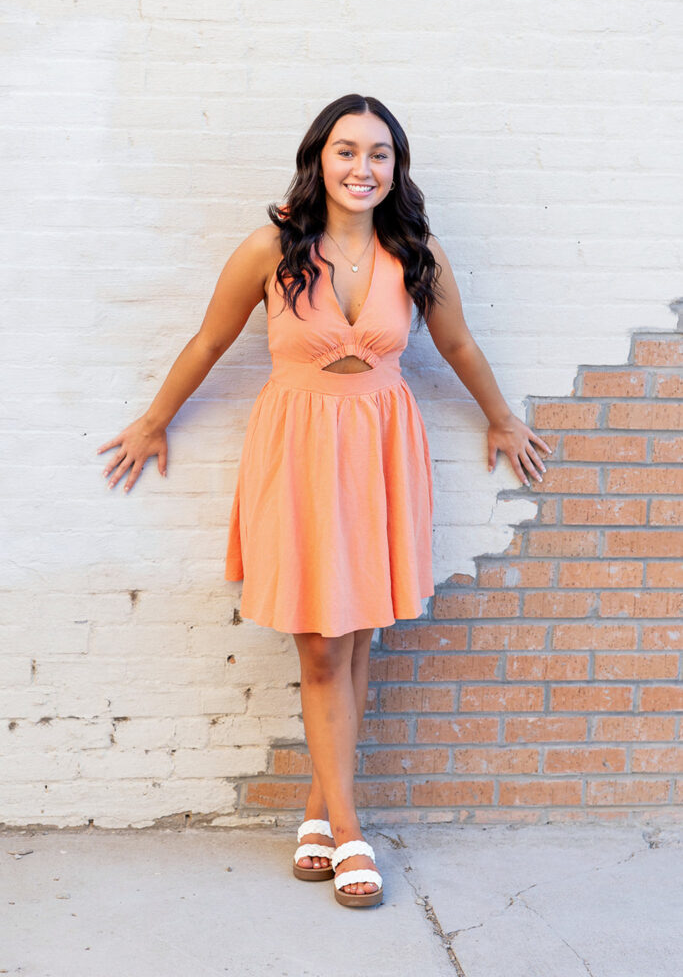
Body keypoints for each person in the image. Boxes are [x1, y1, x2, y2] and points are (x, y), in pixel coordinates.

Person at [97, 93, 551, 908]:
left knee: (358, 626)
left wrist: (501, 416)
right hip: (298, 450)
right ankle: (350, 833)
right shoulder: (270, 247)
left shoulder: (415, 250)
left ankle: (320, 812)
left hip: (380, 448)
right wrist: (153, 422)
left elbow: (455, 342)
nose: (362, 168)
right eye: (347, 151)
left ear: (395, 168)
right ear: (318, 158)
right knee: (320, 644)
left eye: (379, 154)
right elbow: (210, 340)